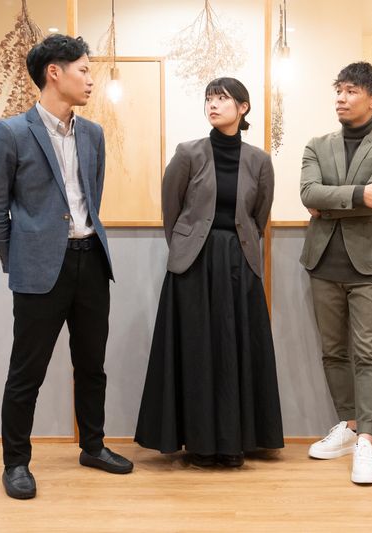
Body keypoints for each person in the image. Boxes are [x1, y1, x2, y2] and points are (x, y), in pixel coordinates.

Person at [0, 34, 133, 500]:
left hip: (91, 260)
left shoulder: (93, 134)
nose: (90, 79)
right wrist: (19, 258)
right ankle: (16, 463)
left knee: (92, 364)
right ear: (54, 73)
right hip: (41, 269)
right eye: (83, 70)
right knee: (27, 371)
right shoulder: (11, 133)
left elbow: (91, 197)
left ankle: (93, 446)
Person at [135, 77, 283, 467]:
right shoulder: (188, 153)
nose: (213, 105)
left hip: (238, 263)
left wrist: (237, 246)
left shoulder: (259, 161)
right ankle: (200, 443)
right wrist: (186, 248)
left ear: (243, 107)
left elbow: (259, 216)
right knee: (196, 349)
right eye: (209, 99)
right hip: (194, 265)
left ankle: (235, 442)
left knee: (234, 350)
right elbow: (171, 210)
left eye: (222, 98)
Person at [299, 62, 372, 484]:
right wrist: (359, 194)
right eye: (338, 90)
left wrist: (329, 204)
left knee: (367, 353)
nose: (341, 99)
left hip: (370, 267)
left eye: (351, 91)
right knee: (333, 352)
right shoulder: (316, 145)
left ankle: (366, 440)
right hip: (322, 262)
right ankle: (347, 425)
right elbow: (308, 192)